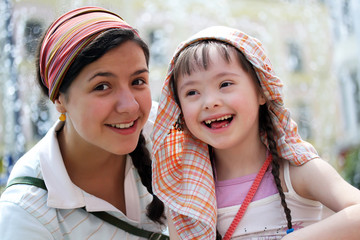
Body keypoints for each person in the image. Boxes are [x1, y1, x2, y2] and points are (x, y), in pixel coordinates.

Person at [151, 26, 360, 239]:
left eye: (225, 84)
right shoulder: (186, 192)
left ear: (262, 91)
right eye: (192, 92)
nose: (210, 102)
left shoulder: (294, 168)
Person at [0, 6, 168, 239]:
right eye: (102, 86)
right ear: (59, 98)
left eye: (138, 81)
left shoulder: (164, 131)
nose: (130, 106)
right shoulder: (26, 214)